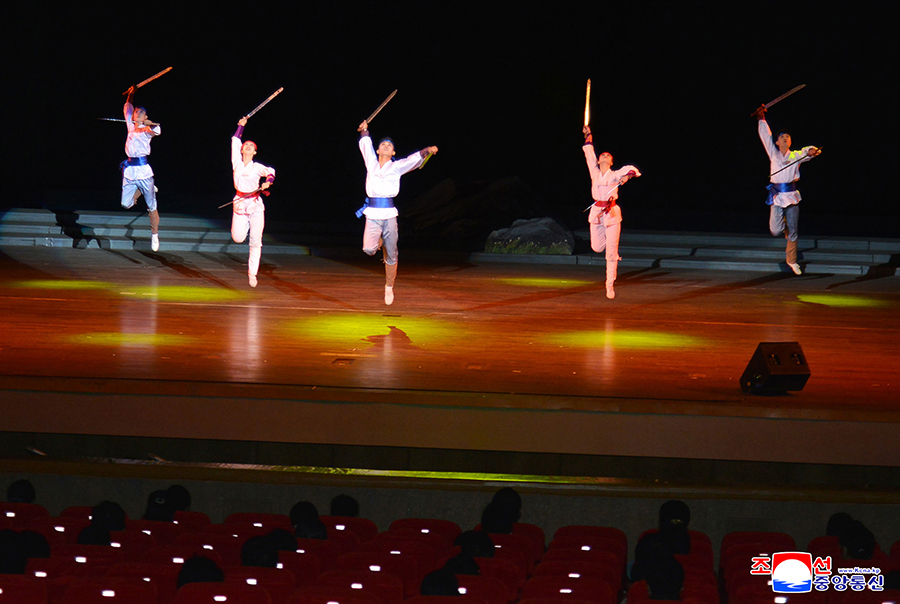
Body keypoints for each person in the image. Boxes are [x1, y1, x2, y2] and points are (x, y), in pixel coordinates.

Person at [357, 119, 438, 305]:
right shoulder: (371, 163)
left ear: (393, 152)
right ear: (378, 151)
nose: (386, 146)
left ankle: (389, 286)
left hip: (390, 214)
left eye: (389, 145)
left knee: (392, 253)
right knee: (368, 249)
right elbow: (366, 146)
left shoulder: (397, 166)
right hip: (372, 213)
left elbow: (414, 159)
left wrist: (428, 150)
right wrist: (364, 130)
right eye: (383, 144)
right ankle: (381, 242)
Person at [754, 105, 821, 275]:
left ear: (790, 141)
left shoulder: (796, 155)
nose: (785, 138)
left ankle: (792, 260)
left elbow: (807, 152)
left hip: (791, 196)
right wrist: (761, 119)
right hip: (777, 196)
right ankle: (783, 227)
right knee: (775, 230)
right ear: (777, 142)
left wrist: (811, 151)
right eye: (782, 137)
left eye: (787, 136)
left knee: (794, 229)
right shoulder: (773, 153)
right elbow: (766, 136)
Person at [582, 125, 641, 299]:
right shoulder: (594, 172)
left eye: (608, 155)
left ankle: (609, 285)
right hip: (596, 214)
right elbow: (589, 153)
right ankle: (607, 252)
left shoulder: (615, 175)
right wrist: (588, 135)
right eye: (603, 155)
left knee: (611, 251)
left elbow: (632, 169)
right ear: (599, 160)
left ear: (612, 162)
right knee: (597, 247)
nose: (605, 156)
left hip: (612, 214)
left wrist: (629, 175)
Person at [231, 117, 275, 288]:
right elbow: (235, 141)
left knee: (256, 241)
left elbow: (270, 171)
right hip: (240, 203)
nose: (248, 146)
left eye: (252, 146)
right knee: (237, 238)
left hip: (255, 205)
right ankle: (244, 226)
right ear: (242, 150)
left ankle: (252, 273)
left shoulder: (257, 167)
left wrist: (268, 182)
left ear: (255, 152)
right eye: (246, 145)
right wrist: (241, 126)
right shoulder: (236, 162)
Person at [121, 86, 162, 251]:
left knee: (151, 205)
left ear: (145, 117)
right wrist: (131, 93)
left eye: (141, 112)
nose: (137, 113)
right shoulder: (130, 125)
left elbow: (157, 130)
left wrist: (150, 124)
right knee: (125, 204)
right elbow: (128, 106)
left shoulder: (146, 130)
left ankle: (155, 235)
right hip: (130, 171)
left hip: (144, 171)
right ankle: (145, 189)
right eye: (136, 112)